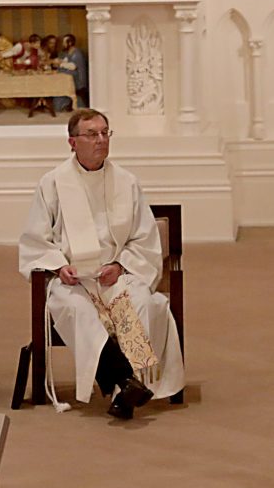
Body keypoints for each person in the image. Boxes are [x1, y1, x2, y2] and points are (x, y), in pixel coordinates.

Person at [19, 108, 184, 418]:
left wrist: (121, 265)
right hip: (74, 279)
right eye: (92, 134)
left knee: (143, 304)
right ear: (72, 142)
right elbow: (35, 239)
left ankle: (123, 392)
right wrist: (57, 265)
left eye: (105, 133)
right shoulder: (52, 183)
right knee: (78, 310)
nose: (101, 140)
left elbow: (144, 238)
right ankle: (125, 380)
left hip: (116, 274)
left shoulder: (126, 181)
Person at [52, 33, 88, 112]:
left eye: (64, 42)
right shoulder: (68, 52)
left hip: (77, 79)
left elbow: (73, 66)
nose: (63, 44)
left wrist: (60, 64)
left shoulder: (77, 53)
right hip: (69, 77)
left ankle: (67, 105)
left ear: (70, 43)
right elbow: (65, 61)